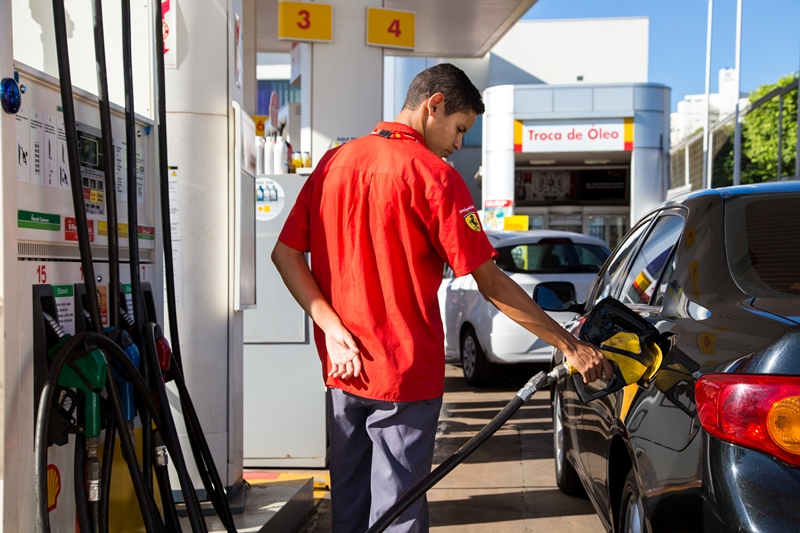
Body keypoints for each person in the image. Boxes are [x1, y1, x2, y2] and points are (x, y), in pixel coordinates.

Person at [272, 63, 611, 533]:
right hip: (403, 375)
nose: (457, 143)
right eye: (459, 128)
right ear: (434, 105)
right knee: (398, 513)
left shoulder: (335, 162)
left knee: (348, 505)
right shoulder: (436, 178)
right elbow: (491, 282)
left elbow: (285, 255)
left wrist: (334, 331)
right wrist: (570, 346)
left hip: (342, 369)